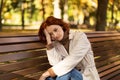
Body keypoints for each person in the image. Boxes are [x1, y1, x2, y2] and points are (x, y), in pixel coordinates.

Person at [38, 16, 100, 80]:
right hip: (68, 76)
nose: (55, 35)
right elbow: (55, 64)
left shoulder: (80, 37)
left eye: (55, 30)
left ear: (61, 26)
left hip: (85, 75)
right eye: (50, 34)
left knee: (68, 71)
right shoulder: (56, 44)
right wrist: (49, 44)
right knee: (50, 78)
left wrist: (45, 74)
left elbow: (71, 61)